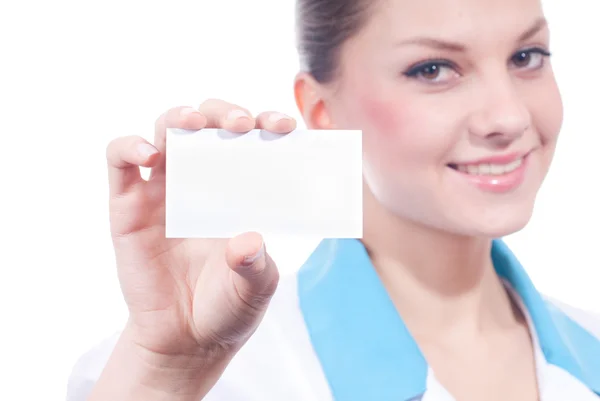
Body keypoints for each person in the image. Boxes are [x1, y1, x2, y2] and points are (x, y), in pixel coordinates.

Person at [66, 0, 600, 399]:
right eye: (433, 69)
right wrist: (166, 371)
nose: (508, 117)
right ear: (320, 109)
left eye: (527, 56)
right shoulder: (203, 374)